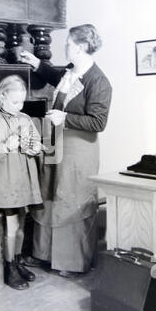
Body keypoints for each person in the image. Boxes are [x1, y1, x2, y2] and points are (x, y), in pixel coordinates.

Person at [20, 24, 112, 277]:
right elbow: (54, 75)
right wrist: (36, 62)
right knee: (50, 194)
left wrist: (65, 118)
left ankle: (71, 263)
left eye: (69, 44)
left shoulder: (99, 82)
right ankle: (44, 255)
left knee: (72, 199)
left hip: (79, 150)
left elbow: (98, 122)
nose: (65, 47)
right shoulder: (72, 71)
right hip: (57, 144)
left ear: (81, 47)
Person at [0, 75, 43, 290]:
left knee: (22, 225)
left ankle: (17, 261)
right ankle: (8, 268)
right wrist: (7, 145)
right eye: (15, 102)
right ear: (2, 97)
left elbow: (38, 146)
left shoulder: (25, 118)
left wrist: (32, 147)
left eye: (22, 102)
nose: (19, 106)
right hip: (8, 182)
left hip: (25, 182)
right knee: (12, 227)